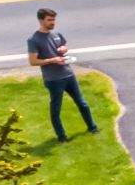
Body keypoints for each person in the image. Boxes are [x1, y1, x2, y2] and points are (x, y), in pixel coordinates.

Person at [27, 8, 95, 141]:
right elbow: (33, 61)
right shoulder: (34, 40)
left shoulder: (57, 34)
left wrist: (64, 48)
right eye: (49, 20)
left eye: (54, 19)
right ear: (41, 20)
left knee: (83, 103)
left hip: (68, 74)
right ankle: (62, 137)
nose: (53, 22)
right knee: (56, 109)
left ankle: (92, 127)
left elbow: (64, 45)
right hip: (53, 79)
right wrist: (53, 60)